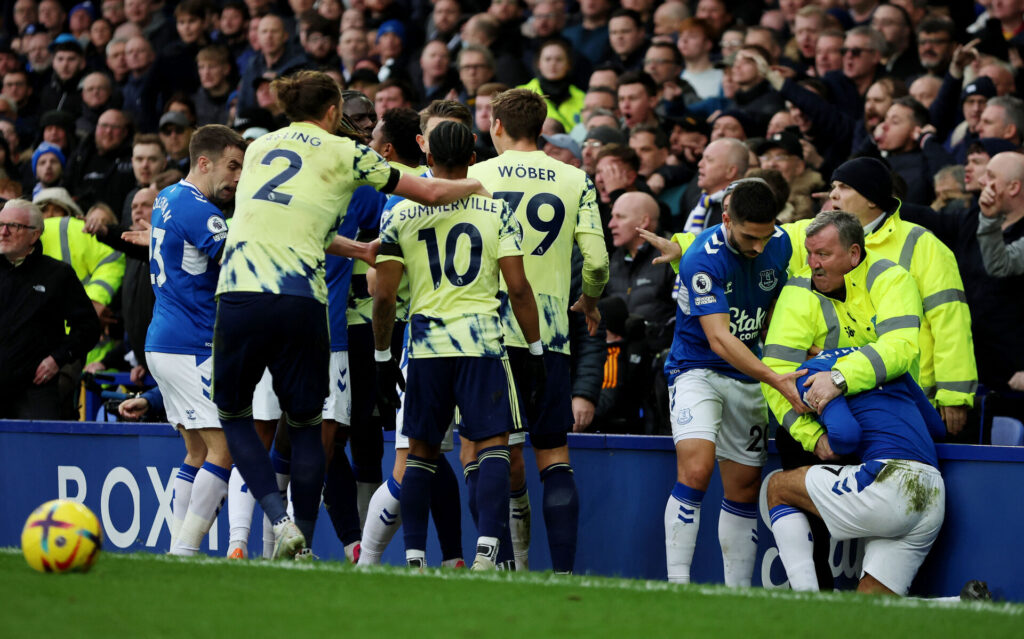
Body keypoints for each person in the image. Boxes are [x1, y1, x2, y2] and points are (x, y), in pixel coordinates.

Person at [212, 70, 490, 559]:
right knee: (305, 428)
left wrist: (358, 249)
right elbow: (428, 192)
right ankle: (298, 534)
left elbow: (287, 220)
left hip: (240, 293)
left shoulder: (257, 148)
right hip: (302, 300)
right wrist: (482, 184)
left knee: (234, 416)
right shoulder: (348, 152)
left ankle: (281, 524)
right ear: (334, 111)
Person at [373, 119, 543, 570]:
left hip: (426, 347)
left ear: (426, 158)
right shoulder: (495, 210)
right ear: (473, 158)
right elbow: (520, 288)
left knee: (420, 453)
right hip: (482, 344)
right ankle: (487, 550)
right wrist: (537, 348)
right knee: (492, 445)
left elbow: (384, 294)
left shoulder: (397, 211)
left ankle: (413, 557)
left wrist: (383, 354)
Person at [467, 88, 609, 574]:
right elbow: (597, 262)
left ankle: (501, 566)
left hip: (485, 330)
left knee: (488, 448)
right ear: (543, 126)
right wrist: (588, 300)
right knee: (553, 452)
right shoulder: (575, 178)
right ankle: (564, 572)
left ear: (497, 124)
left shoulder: (474, 176)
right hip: (548, 333)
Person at [660, 179, 802, 586]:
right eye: (748, 236)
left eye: (766, 235)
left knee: (743, 487)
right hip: (697, 370)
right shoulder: (702, 258)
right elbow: (720, 339)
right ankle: (677, 586)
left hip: (750, 376)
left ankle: (736, 596)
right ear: (726, 220)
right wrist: (775, 377)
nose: (759, 246)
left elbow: (777, 308)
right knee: (698, 468)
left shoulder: (781, 244)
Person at [142, 125, 247, 556]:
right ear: (203, 162)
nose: (239, 177)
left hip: (164, 339)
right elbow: (239, 258)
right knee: (225, 450)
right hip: (191, 343)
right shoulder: (202, 212)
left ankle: (177, 549)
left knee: (197, 451)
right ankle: (185, 550)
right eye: (232, 166)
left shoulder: (168, 196)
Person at [767, 347, 946, 596]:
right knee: (869, 609)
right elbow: (937, 428)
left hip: (890, 481)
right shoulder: (885, 361)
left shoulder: (815, 370)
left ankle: (806, 602)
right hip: (933, 492)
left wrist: (826, 438)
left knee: (778, 487)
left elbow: (846, 436)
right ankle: (958, 603)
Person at [0, 198, 100, 419]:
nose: (3, 232)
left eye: (13, 226)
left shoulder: (58, 274)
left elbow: (89, 327)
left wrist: (57, 359)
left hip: (34, 389)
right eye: (0, 225)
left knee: (39, 450)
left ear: (34, 235)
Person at [977, 151, 1024, 277]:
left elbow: (1000, 266)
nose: (980, 180)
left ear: (1013, 188)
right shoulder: (975, 216)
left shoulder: (988, 219)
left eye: (991, 176)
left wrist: (989, 220)